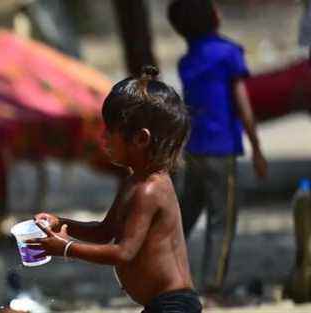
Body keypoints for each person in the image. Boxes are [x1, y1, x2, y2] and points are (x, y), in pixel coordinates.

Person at [27, 66, 201, 313]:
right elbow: (104, 231)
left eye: (110, 131)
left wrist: (66, 247)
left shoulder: (150, 190)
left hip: (173, 306)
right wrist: (60, 223)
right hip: (159, 306)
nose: (103, 138)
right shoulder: (133, 181)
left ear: (141, 139)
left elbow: (123, 253)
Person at [168, 0, 267, 300]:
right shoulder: (228, 54)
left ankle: (166, 274)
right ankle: (211, 289)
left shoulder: (187, 61)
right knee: (222, 220)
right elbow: (242, 105)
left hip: (193, 149)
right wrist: (257, 148)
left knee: (185, 215)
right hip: (222, 150)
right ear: (211, 17)